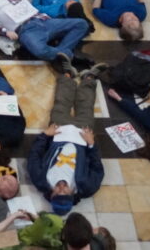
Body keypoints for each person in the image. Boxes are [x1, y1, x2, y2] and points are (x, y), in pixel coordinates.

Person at [26, 60, 105, 215]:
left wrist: (44, 136)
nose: (61, 187)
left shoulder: (41, 180)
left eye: (57, 191)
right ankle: (88, 78)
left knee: (61, 103)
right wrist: (91, 145)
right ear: (72, 194)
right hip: (82, 137)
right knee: (85, 107)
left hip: (58, 133)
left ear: (51, 195)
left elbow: (34, 156)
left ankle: (68, 74)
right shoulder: (87, 187)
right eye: (65, 191)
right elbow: (97, 168)